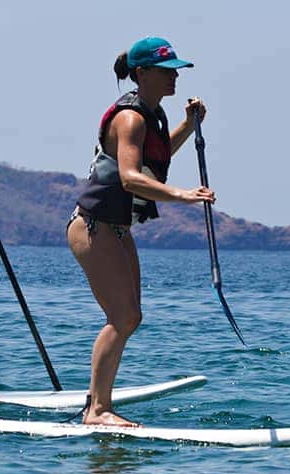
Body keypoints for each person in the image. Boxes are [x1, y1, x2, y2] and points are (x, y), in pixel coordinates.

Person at [67, 37, 215, 426]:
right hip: (93, 226)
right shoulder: (130, 118)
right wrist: (182, 196)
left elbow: (160, 153)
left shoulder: (153, 115)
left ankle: (96, 401)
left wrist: (188, 124)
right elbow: (131, 179)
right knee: (121, 315)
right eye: (166, 71)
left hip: (116, 228)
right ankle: (97, 410)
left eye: (176, 71)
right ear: (142, 73)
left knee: (130, 317)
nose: (174, 78)